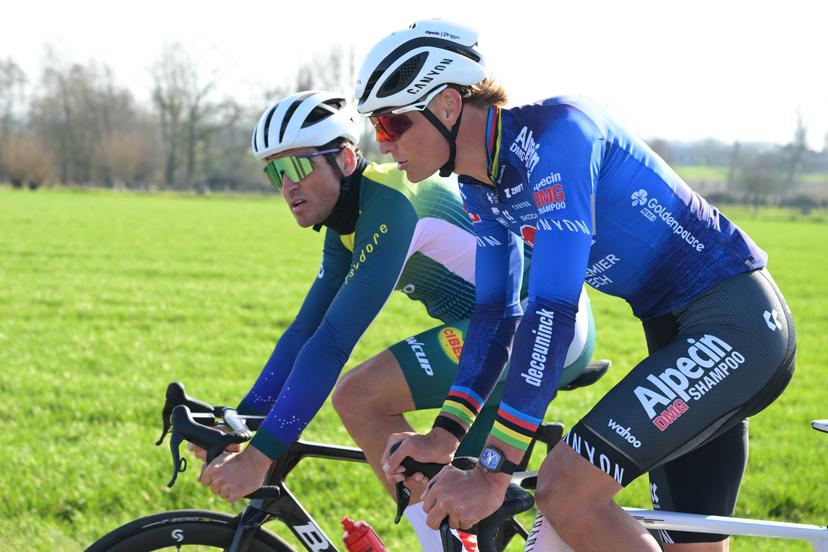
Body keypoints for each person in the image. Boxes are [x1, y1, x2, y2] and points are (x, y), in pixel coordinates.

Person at [355, 20, 796, 552]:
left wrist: (494, 471)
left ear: (448, 105)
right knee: (691, 546)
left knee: (564, 488)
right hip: (675, 335)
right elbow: (496, 314)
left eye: (391, 125)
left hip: (736, 325)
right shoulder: (480, 186)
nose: (384, 147)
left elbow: (551, 311)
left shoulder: (559, 135)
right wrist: (445, 434)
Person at [194, 90, 598, 551]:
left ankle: (444, 545)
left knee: (359, 395)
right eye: (274, 173)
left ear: (346, 159)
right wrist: (243, 418)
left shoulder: (391, 205)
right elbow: (304, 330)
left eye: (297, 167)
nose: (287, 185)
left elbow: (331, 342)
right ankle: (452, 541)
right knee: (426, 468)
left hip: (542, 327)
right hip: (494, 333)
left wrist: (261, 456)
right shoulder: (347, 223)